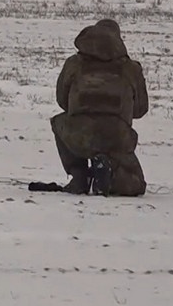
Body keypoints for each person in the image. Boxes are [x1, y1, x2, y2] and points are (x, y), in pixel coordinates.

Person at [48, 18, 149, 196]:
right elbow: (141, 109)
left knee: (59, 122)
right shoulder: (131, 68)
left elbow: (62, 101)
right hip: (117, 136)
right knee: (136, 184)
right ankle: (108, 173)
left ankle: (79, 175)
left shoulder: (74, 63)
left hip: (78, 134)